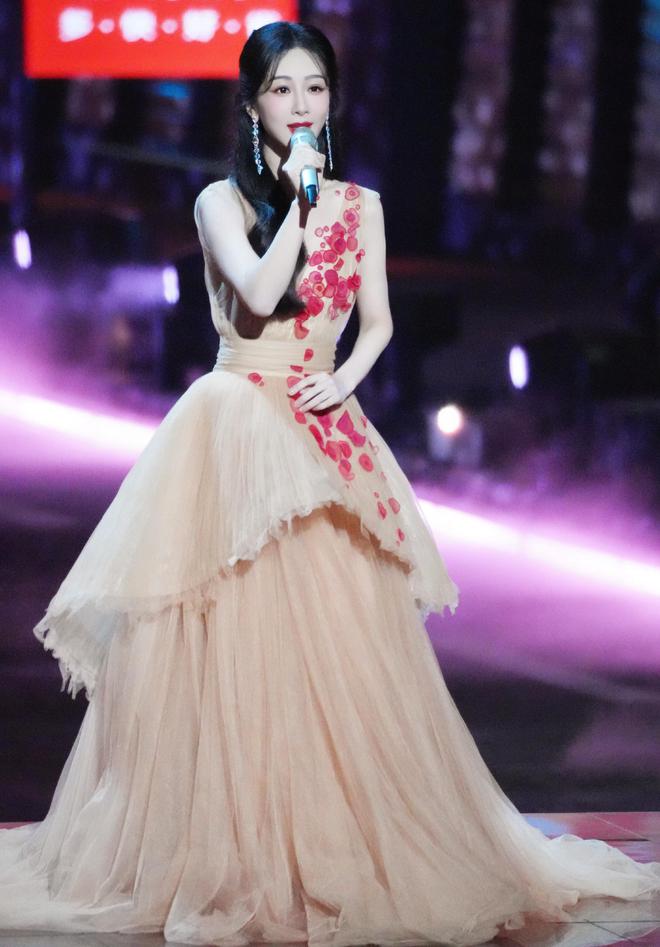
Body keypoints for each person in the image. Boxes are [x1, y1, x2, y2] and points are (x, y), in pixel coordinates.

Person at [1, 20, 659, 947]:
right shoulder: (220, 202)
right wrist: (302, 206)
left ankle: (327, 842)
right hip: (234, 424)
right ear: (251, 104)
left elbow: (377, 321)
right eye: (282, 89)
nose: (301, 105)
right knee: (223, 642)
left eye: (314, 88)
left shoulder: (366, 206)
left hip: (321, 427)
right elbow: (259, 295)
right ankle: (218, 848)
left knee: (340, 649)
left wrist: (344, 379)